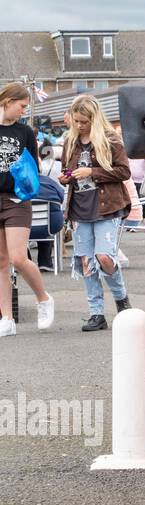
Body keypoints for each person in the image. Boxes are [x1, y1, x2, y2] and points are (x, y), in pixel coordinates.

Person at [61, 95, 133, 331]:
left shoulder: (111, 139)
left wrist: (92, 171)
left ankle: (122, 299)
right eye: (76, 121)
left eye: (84, 121)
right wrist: (66, 177)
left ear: (94, 118)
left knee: (104, 257)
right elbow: (67, 171)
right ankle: (96, 313)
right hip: (80, 208)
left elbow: (123, 172)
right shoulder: (70, 141)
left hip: (108, 207)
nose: (80, 126)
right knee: (86, 262)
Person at [0, 82, 56, 335]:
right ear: (8, 101)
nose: (23, 111)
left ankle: (43, 298)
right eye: (21, 106)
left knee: (18, 258)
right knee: (0, 262)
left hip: (16, 200)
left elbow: (36, 169)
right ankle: (7, 319)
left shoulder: (25, 132)